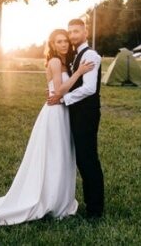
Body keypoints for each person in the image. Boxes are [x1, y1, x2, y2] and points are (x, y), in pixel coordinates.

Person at [0, 28, 94, 225]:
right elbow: (61, 90)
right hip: (55, 112)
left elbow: (58, 89)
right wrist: (79, 73)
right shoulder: (56, 61)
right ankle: (50, 200)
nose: (64, 44)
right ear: (53, 45)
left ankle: (58, 197)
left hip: (62, 111)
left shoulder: (65, 62)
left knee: (62, 155)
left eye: (65, 41)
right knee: (55, 155)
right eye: (59, 42)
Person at [47, 18, 104, 219]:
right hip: (75, 112)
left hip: (86, 113)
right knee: (80, 158)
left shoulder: (90, 55)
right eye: (70, 32)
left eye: (76, 31)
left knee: (88, 159)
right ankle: (86, 203)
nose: (72, 36)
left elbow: (89, 88)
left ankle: (95, 210)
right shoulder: (73, 55)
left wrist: (63, 99)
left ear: (85, 32)